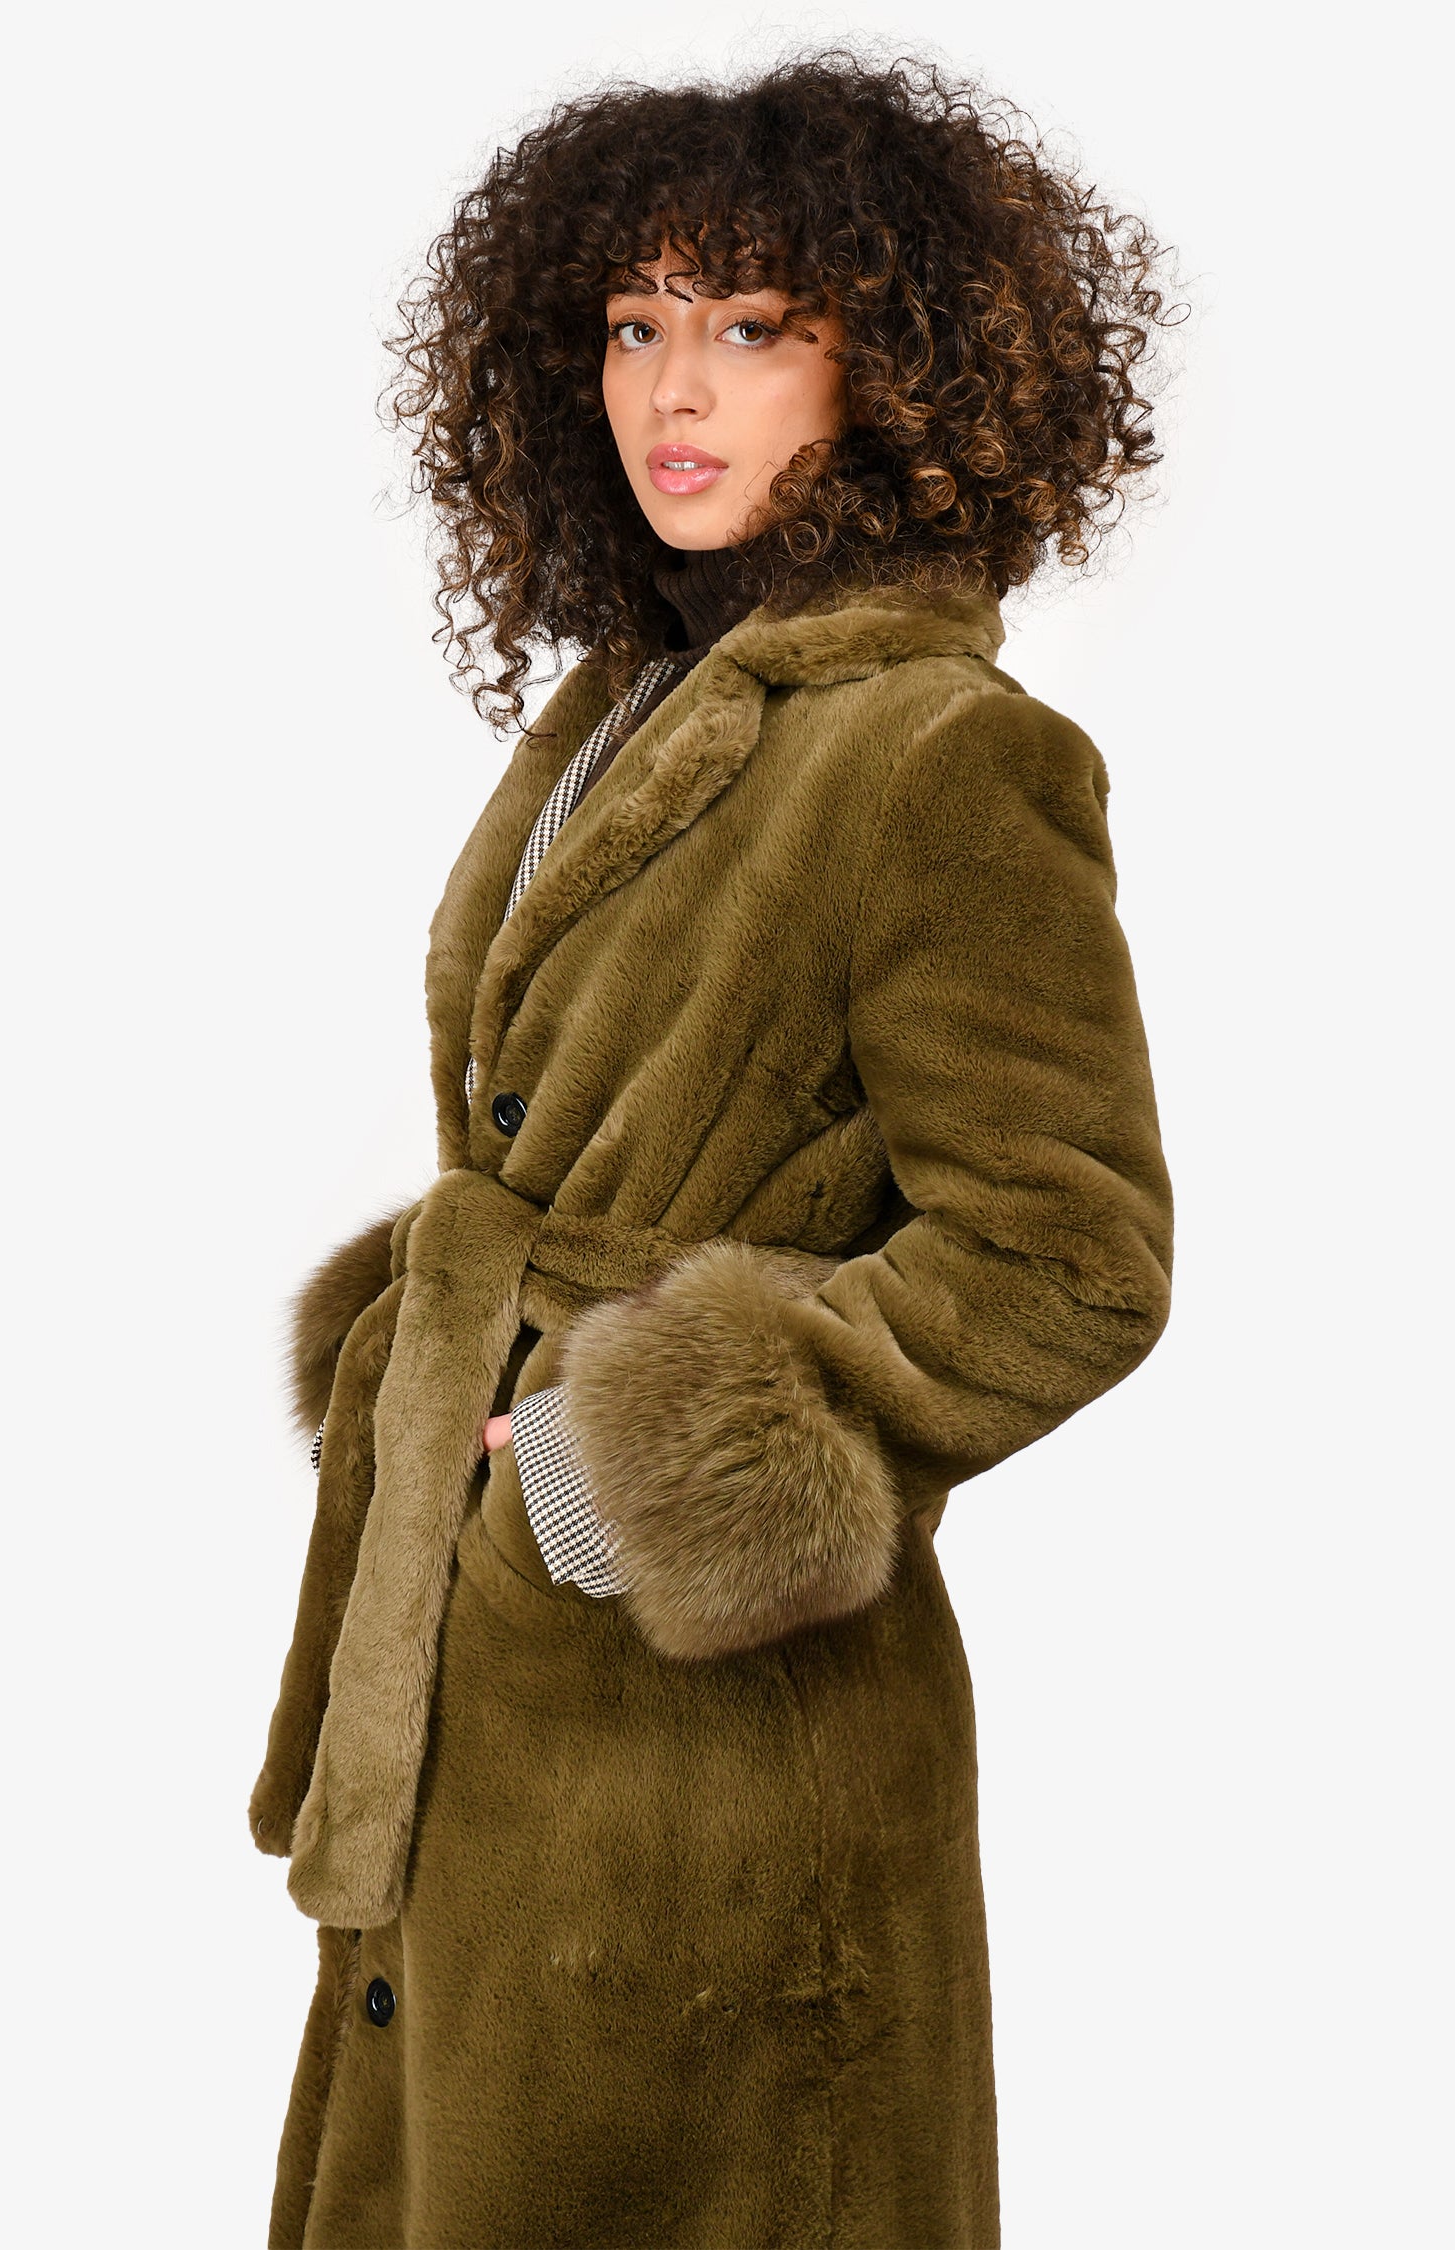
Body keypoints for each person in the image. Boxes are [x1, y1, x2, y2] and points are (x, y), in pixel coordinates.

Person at [250, 51, 1177, 2250]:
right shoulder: (631, 702)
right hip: (501, 1726)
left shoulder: (943, 754)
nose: (676, 387)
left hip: (721, 1763)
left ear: (896, 366)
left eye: (756, 326)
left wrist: (604, 1468)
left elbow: (1067, 1256)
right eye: (634, 323)